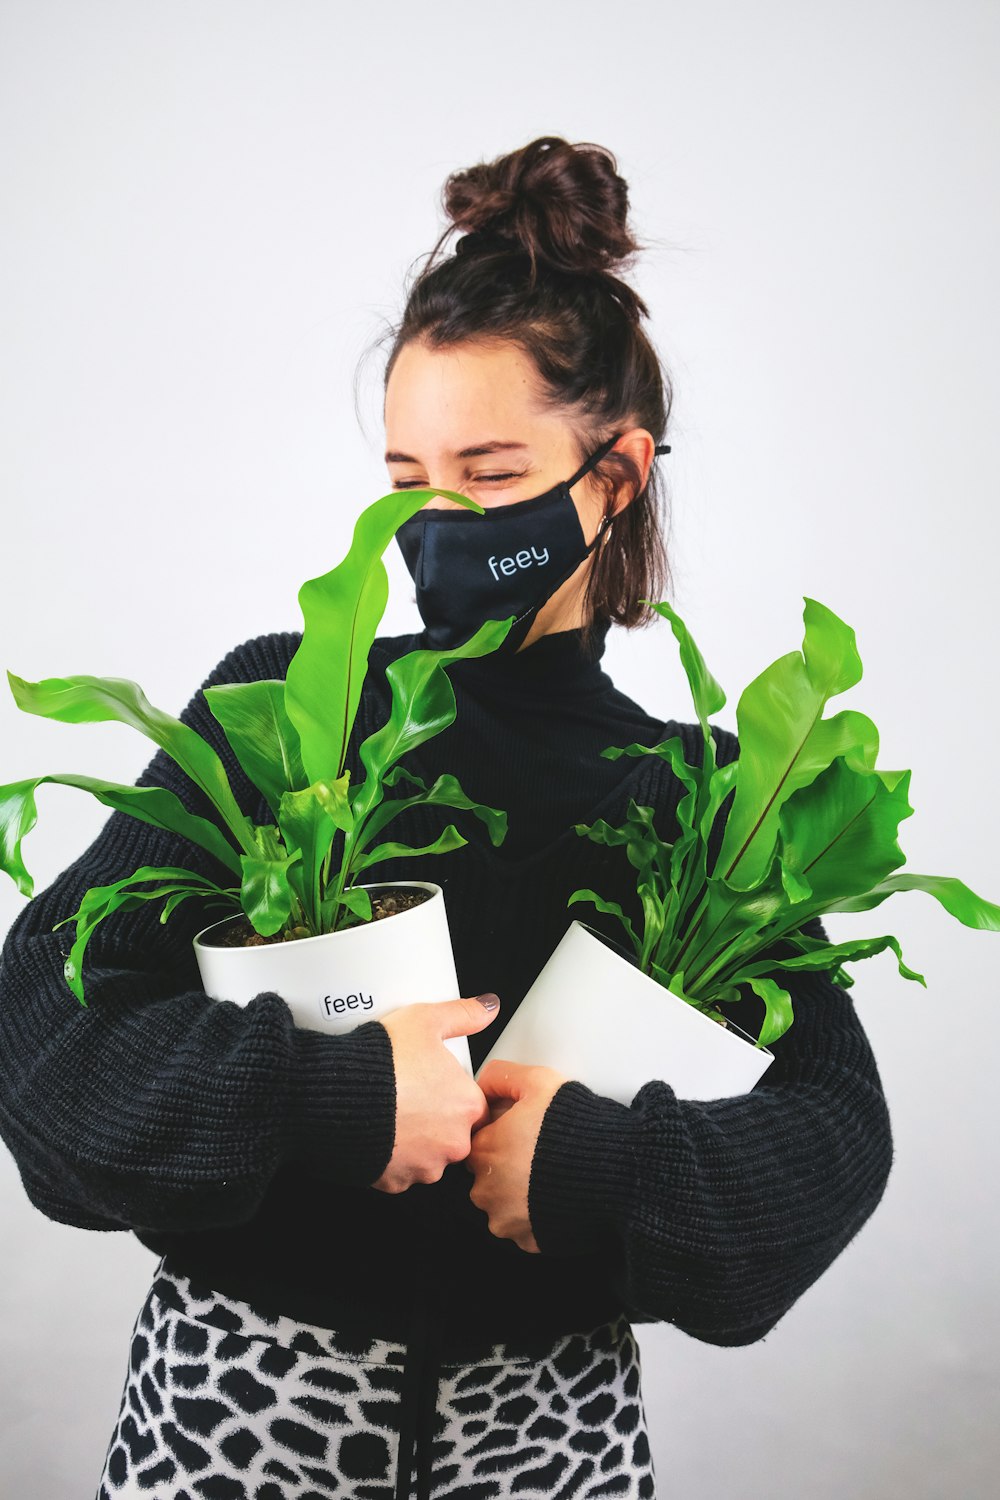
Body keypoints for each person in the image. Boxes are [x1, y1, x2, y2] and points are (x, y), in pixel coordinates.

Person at [0, 135, 893, 1500]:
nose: (435, 527)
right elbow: (44, 1043)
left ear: (619, 472)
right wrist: (329, 1093)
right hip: (236, 1437)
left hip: (552, 1450)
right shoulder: (287, 715)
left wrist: (599, 1167)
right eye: (407, 481)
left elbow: (831, 1141)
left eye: (487, 473)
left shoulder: (714, 797)